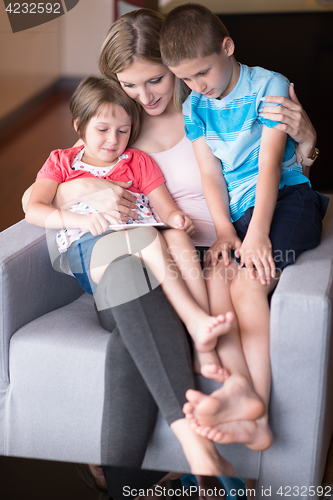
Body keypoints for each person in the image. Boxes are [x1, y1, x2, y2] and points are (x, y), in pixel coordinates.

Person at [21, 6, 320, 492]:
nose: (144, 96)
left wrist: (306, 142)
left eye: (156, 80)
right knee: (133, 281)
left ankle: (127, 480)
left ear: (177, 64)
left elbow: (276, 176)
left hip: (199, 257)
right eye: (131, 85)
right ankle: (194, 460)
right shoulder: (120, 126)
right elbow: (67, 175)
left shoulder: (210, 110)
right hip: (143, 256)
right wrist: (78, 195)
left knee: (138, 327)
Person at [159, 3, 329, 449]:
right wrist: (224, 232)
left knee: (249, 280)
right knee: (220, 275)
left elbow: (271, 163)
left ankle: (257, 411)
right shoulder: (195, 106)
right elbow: (210, 174)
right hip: (238, 214)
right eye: (185, 79)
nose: (196, 86)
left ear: (228, 47)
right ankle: (241, 391)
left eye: (202, 73)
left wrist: (254, 236)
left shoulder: (267, 86)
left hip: (288, 199)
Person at [26, 75, 234, 354]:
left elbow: (165, 205)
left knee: (178, 240)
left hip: (144, 242)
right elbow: (35, 209)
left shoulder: (138, 161)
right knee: (147, 237)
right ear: (79, 125)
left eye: (123, 131)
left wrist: (176, 219)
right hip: (93, 248)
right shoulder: (62, 162)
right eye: (102, 129)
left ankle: (202, 314)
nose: (113, 140)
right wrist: (83, 221)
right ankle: (194, 320)